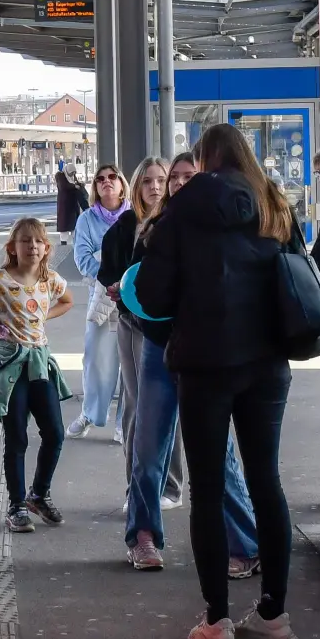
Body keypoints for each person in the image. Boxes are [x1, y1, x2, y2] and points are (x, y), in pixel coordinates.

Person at [134, 122, 298, 639]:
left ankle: (218, 622)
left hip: (205, 362)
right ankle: (273, 615)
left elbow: (154, 294)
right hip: (268, 361)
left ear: (204, 159)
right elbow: (299, 270)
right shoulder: (273, 201)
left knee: (206, 489)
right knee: (266, 482)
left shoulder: (183, 207)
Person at [120, 153, 260, 576]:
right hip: (160, 347)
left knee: (220, 453)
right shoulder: (154, 227)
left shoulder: (221, 224)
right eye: (172, 178)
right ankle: (143, 536)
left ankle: (245, 543)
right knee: (148, 445)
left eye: (186, 176)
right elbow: (138, 286)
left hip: (207, 352)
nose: (178, 183)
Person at [0, 217, 74, 532]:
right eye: (26, 241)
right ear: (12, 247)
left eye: (38, 241)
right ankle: (15, 505)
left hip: (39, 362)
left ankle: (38, 494)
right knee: (17, 437)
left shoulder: (49, 279)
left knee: (54, 432)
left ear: (46, 247)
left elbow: (67, 300)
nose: (33, 247)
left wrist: (42, 318)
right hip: (9, 366)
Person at [97, 157, 184, 509]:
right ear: (136, 186)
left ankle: (171, 486)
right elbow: (107, 270)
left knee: (172, 403)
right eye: (147, 181)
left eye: (161, 180)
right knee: (136, 403)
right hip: (132, 322)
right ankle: (136, 488)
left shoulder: (177, 222)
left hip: (173, 325)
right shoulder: (124, 227)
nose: (154, 187)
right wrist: (116, 285)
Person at [66, 163, 129, 441]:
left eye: (112, 177)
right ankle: (90, 413)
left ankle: (124, 422)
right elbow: (83, 258)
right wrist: (110, 274)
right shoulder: (87, 220)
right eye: (100, 178)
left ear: (122, 183)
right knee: (95, 359)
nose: (107, 182)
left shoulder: (134, 215)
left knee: (131, 361)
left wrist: (113, 266)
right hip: (102, 295)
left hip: (133, 296)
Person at [55, 169, 85, 248]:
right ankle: (63, 245)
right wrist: (74, 186)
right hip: (64, 206)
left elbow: (76, 185)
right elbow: (63, 186)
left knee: (74, 226)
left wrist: (80, 185)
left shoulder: (72, 178)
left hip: (73, 205)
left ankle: (76, 244)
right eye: (71, 173)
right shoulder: (60, 176)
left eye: (74, 173)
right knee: (64, 225)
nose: (72, 174)